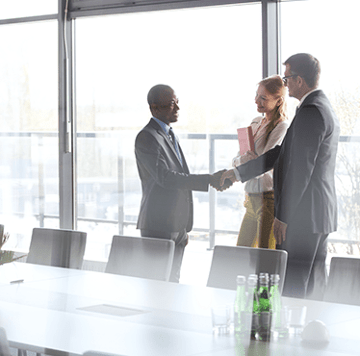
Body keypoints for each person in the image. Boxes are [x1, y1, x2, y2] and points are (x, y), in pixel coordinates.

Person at [220, 53, 340, 299]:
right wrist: (237, 173)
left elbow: (300, 170)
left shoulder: (311, 111)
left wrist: (283, 216)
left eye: (287, 78)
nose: (285, 84)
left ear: (299, 79)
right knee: (313, 288)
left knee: (293, 289)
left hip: (304, 215)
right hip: (317, 213)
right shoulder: (320, 106)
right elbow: (281, 154)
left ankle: (289, 336)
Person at [135, 84, 231, 283]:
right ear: (154, 107)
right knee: (156, 285)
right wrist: (208, 179)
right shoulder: (147, 137)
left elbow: (179, 176)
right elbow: (166, 178)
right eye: (172, 104)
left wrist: (182, 229)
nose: (177, 108)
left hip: (176, 225)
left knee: (173, 282)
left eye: (177, 102)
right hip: (159, 225)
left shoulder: (169, 135)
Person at [233, 75, 288, 250]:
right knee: (240, 253)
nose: (257, 101)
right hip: (250, 200)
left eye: (263, 98)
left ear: (278, 101)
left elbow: (265, 164)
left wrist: (248, 161)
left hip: (268, 201)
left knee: (264, 259)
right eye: (257, 95)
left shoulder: (281, 126)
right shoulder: (255, 122)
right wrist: (247, 160)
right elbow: (236, 159)